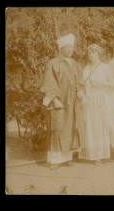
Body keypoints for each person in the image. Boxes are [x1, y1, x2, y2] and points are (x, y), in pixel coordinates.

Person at [40, 33, 81, 170]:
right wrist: (55, 99)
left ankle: (67, 157)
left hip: (73, 102)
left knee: (70, 128)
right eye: (67, 48)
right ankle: (55, 160)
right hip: (59, 101)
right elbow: (49, 83)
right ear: (61, 49)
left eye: (71, 48)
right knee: (57, 128)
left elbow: (79, 81)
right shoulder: (53, 63)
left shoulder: (75, 63)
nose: (70, 50)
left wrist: (80, 91)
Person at [77, 44, 114, 165]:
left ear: (99, 54)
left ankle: (99, 155)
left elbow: (113, 84)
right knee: (89, 126)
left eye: (93, 53)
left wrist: (101, 83)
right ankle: (90, 153)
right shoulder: (86, 69)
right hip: (89, 100)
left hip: (101, 99)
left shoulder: (105, 68)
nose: (91, 55)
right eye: (89, 53)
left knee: (99, 127)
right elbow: (81, 84)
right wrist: (81, 93)